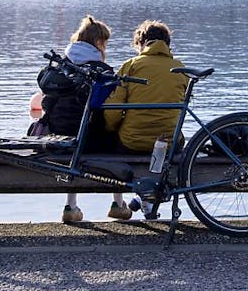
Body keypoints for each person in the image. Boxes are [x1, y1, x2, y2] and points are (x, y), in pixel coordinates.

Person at [34, 15, 130, 224]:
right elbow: (109, 111)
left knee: (75, 149)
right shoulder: (102, 71)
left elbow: (47, 104)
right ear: (99, 42)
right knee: (116, 139)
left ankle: (70, 206)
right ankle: (118, 203)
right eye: (105, 43)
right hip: (89, 138)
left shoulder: (61, 66)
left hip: (57, 136)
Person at [101, 20, 188, 217]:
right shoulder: (180, 68)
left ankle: (134, 200)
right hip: (168, 144)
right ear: (167, 44)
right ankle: (146, 200)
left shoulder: (131, 65)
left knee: (112, 142)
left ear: (141, 43)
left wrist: (112, 129)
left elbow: (113, 111)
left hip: (131, 143)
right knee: (172, 139)